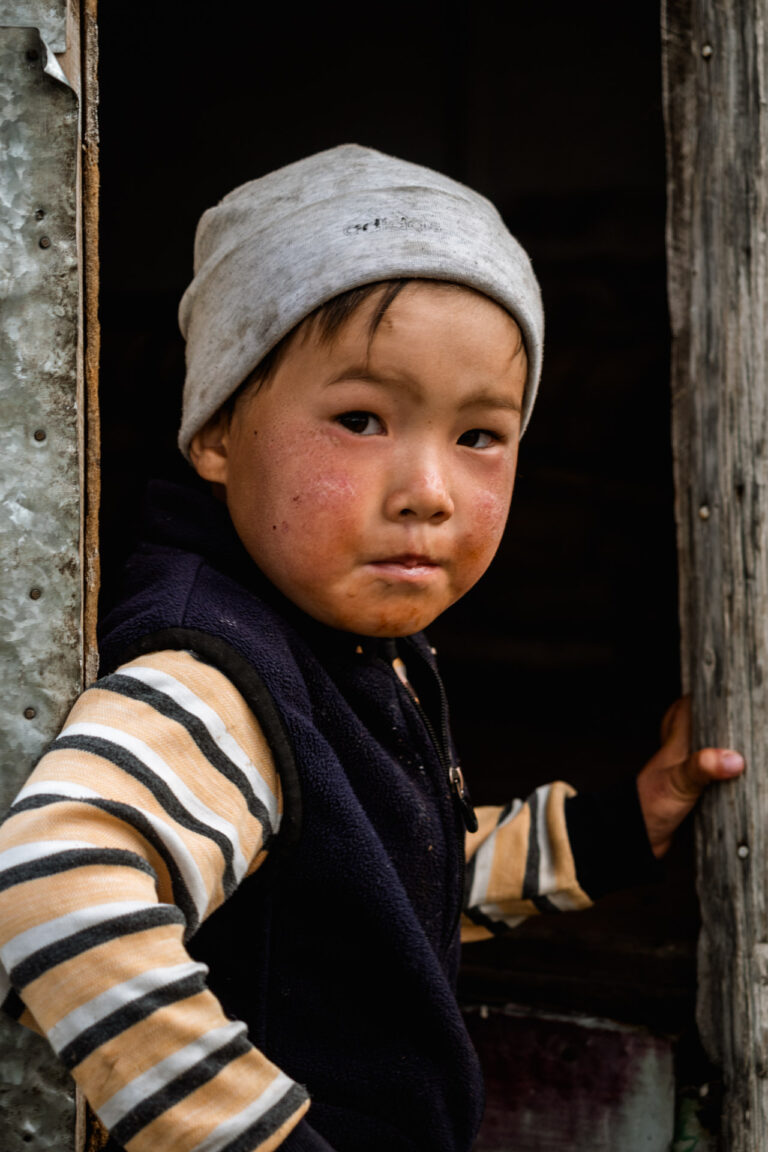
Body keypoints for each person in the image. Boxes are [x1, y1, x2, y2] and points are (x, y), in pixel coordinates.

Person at [0, 145, 744, 1152]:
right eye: (361, 419)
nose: (429, 490)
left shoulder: (341, 646)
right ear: (216, 429)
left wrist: (618, 830)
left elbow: (386, 879)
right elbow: (55, 877)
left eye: (480, 435)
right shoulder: (218, 676)